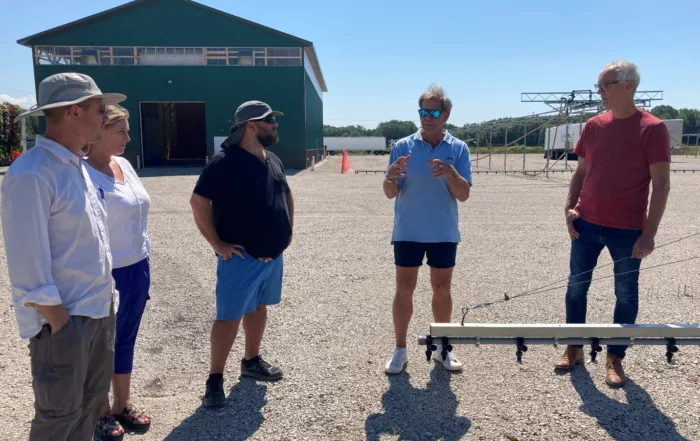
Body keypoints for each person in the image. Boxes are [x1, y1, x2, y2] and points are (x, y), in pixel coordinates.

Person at [0, 73, 125, 441]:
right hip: (66, 322)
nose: (105, 118)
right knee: (58, 420)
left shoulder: (75, 167)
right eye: (99, 110)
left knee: (87, 410)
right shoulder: (33, 173)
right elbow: (27, 266)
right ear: (74, 112)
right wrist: (60, 324)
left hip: (97, 314)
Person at [556, 60, 671, 387]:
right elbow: (580, 172)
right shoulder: (593, 126)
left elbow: (661, 184)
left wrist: (649, 234)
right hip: (586, 224)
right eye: (599, 86)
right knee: (576, 289)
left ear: (628, 86)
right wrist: (569, 208)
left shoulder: (652, 129)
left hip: (628, 230)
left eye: (606, 85)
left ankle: (615, 358)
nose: (600, 91)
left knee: (625, 293)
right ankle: (574, 348)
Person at [190, 100, 294, 407]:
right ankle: (214, 379)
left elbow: (286, 193)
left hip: (272, 256)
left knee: (259, 306)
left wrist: (287, 233)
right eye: (269, 120)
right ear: (251, 126)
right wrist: (218, 245)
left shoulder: (272, 159)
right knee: (228, 317)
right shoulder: (224, 161)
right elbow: (198, 203)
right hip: (241, 258)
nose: (275, 124)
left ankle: (251, 361)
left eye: (274, 119)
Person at [383, 84, 473, 374]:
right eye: (423, 111)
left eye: (434, 111)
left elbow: (464, 194)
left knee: (442, 289)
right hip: (408, 230)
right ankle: (400, 349)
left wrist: (451, 173)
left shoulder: (458, 149)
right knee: (404, 289)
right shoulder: (402, 146)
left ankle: (443, 347)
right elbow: (389, 192)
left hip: (443, 232)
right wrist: (390, 176)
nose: (428, 117)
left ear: (446, 115)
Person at [82, 104, 152, 439]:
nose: (128, 137)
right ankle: (99, 412)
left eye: (128, 130)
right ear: (98, 131)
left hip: (137, 267)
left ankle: (122, 403)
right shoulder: (80, 173)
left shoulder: (123, 163)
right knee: (99, 346)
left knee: (126, 338)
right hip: (104, 274)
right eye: (120, 130)